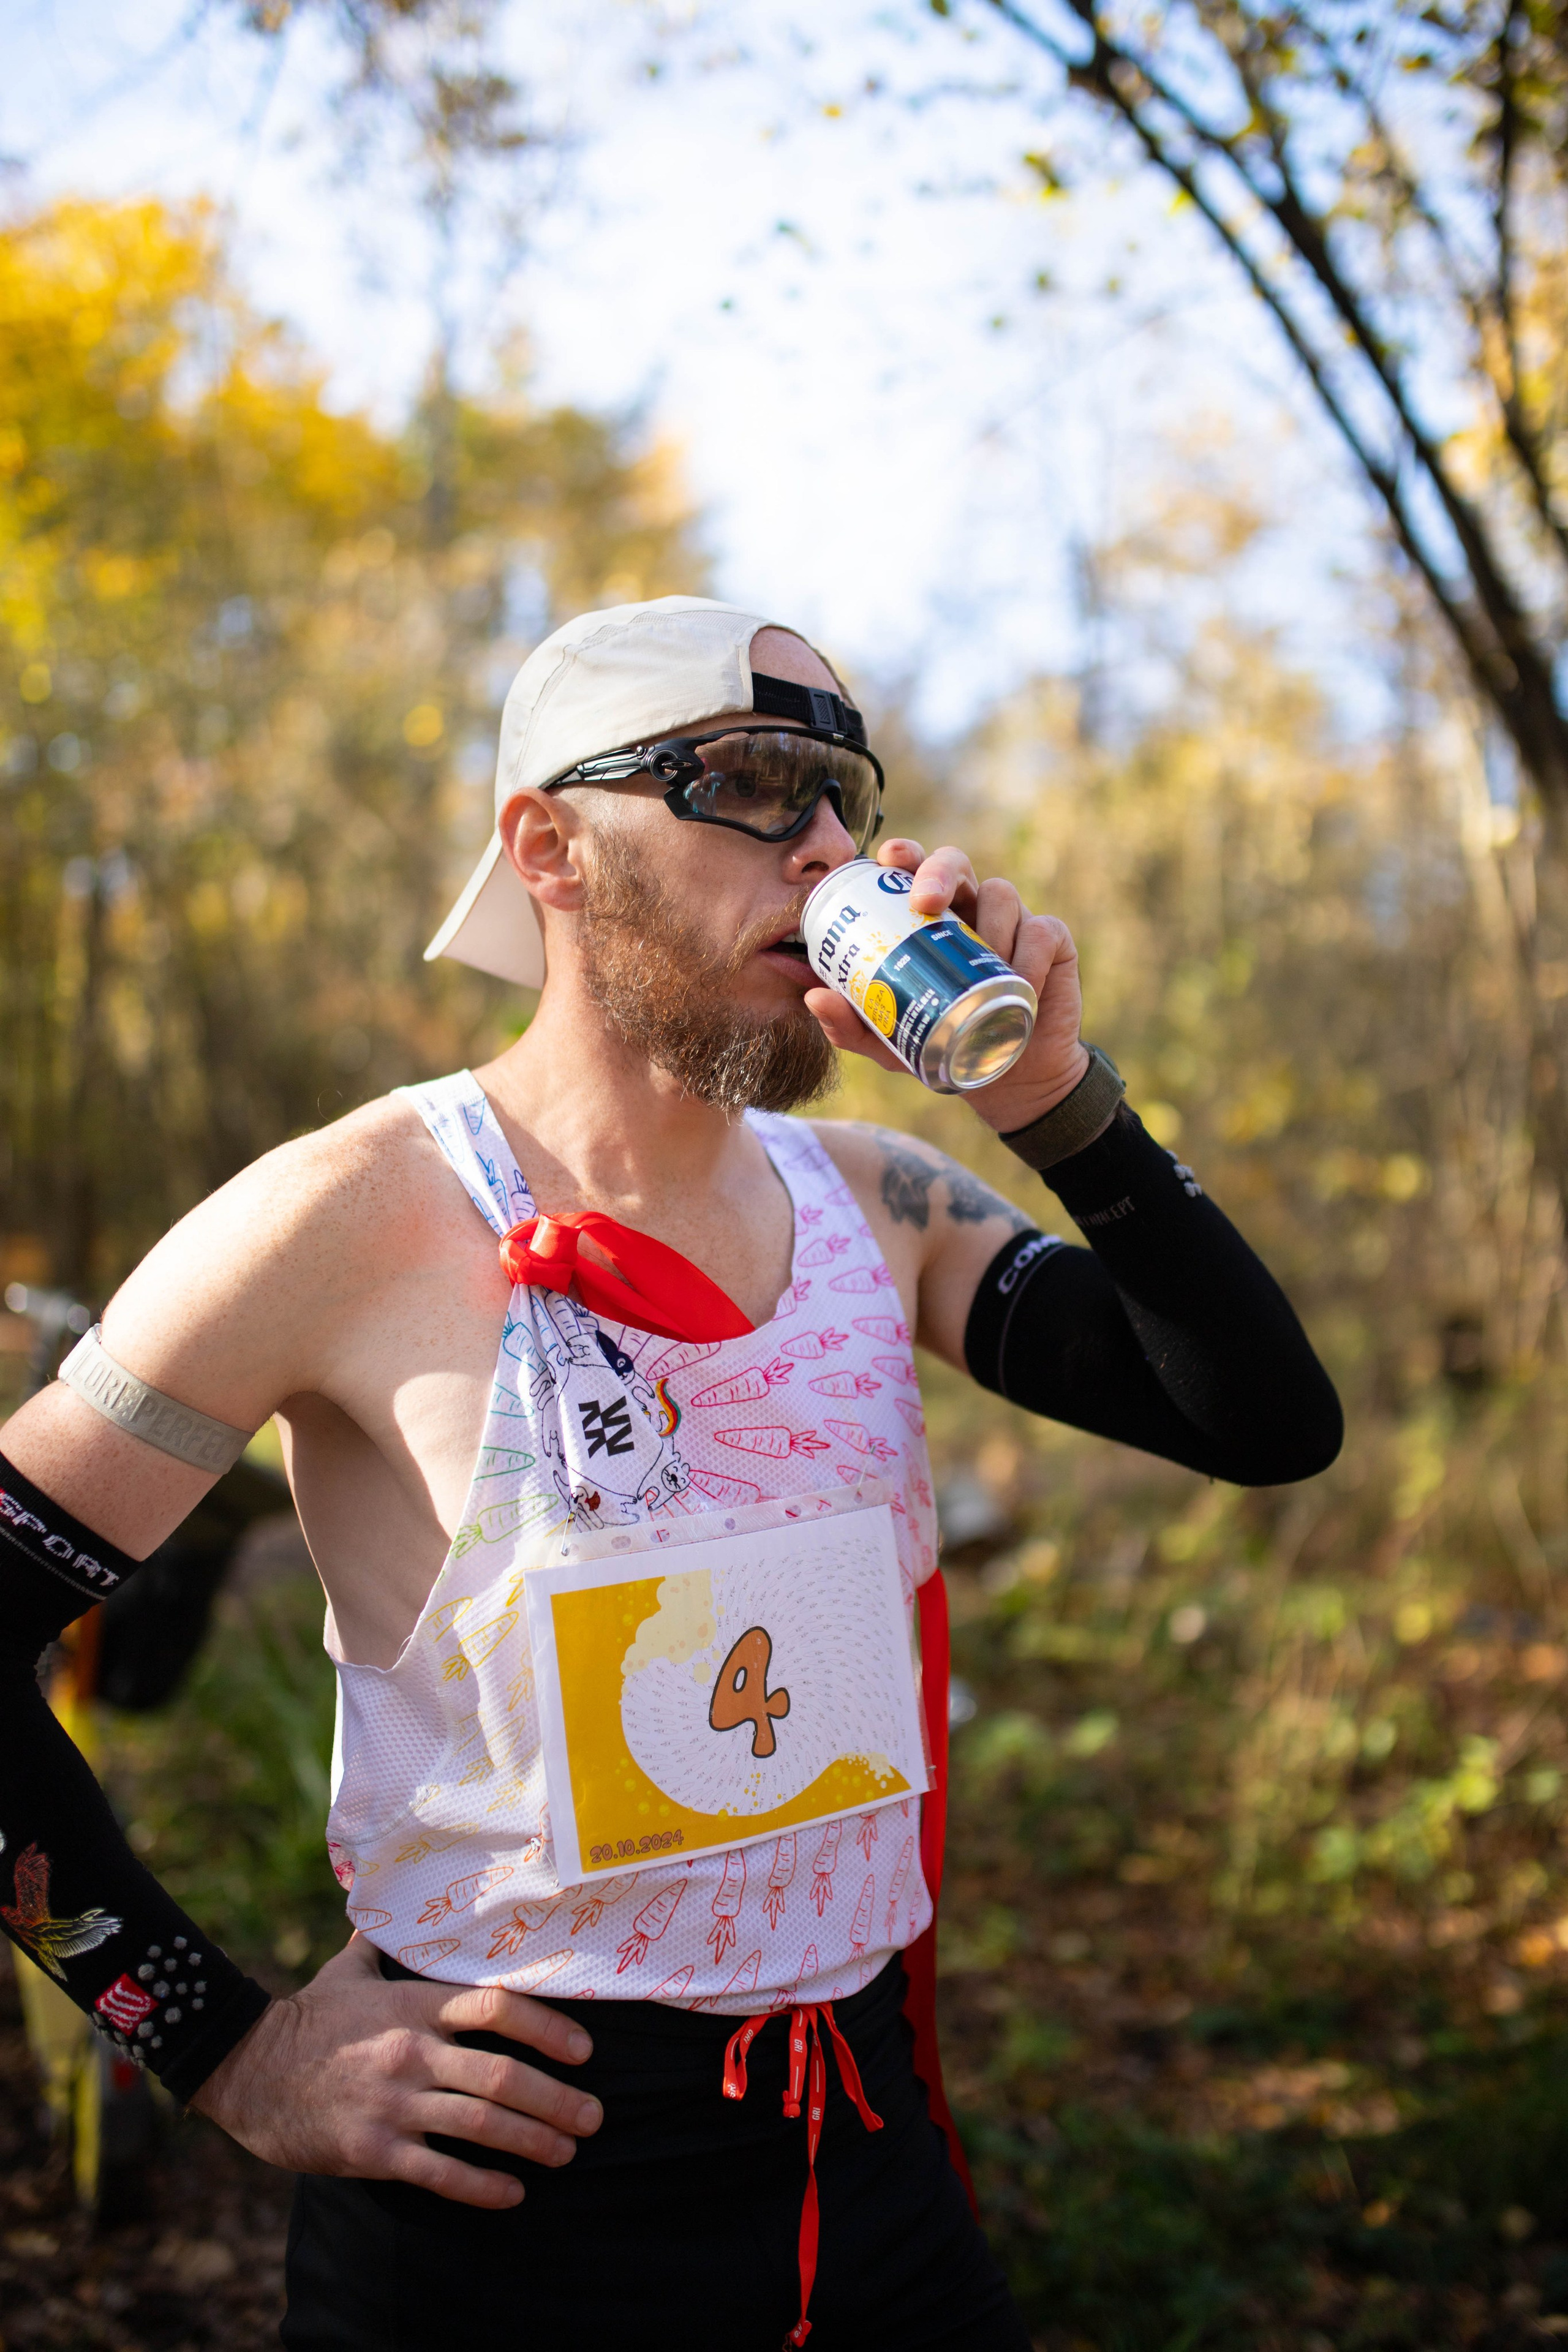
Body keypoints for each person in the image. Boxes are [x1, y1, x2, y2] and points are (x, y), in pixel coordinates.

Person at [0, 595, 1341, 2350]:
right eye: (757, 783)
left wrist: (1057, 1094)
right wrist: (225, 2049)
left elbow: (1259, 1419)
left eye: (846, 795)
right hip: (511, 2198)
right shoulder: (347, 1218)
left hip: (866, 2157)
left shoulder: (879, 1205)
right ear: (548, 847)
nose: (833, 850)